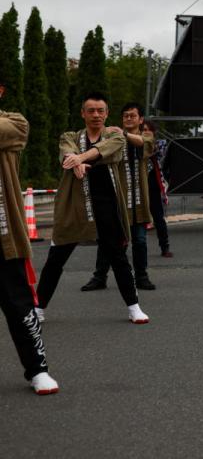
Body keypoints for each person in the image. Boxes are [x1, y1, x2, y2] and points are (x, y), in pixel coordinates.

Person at [36, 92, 150, 325]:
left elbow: (106, 152)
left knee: (117, 256)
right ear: (82, 113)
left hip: (107, 205)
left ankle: (134, 307)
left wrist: (79, 160)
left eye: (100, 111)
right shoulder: (70, 135)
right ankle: (38, 308)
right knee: (56, 258)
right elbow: (66, 152)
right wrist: (73, 158)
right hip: (74, 205)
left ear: (107, 113)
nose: (96, 115)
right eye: (91, 110)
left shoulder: (116, 136)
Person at [0, 76, 57, 394]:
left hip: (4, 236)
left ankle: (37, 369)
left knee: (19, 306)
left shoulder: (13, 122)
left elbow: (18, 132)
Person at [83, 102, 156, 292]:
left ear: (140, 119)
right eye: (125, 116)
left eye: (133, 115)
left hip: (139, 201)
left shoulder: (145, 136)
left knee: (139, 240)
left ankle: (141, 276)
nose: (129, 119)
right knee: (109, 240)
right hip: (118, 200)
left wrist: (124, 134)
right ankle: (99, 276)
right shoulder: (113, 137)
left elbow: (146, 145)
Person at [142, 121, 171, 258]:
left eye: (148, 129)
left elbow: (156, 153)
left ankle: (165, 247)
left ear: (153, 132)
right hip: (137, 185)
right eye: (143, 129)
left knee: (158, 217)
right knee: (132, 219)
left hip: (153, 184)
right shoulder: (134, 143)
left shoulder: (160, 144)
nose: (145, 132)